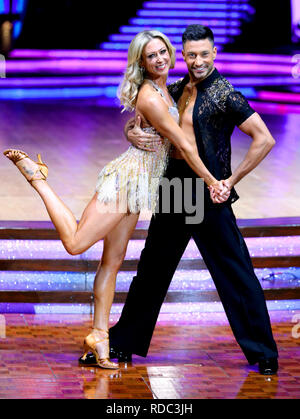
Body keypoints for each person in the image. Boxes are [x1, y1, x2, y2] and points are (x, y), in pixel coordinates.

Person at [3, 30, 228, 370]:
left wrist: (130, 130)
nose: (160, 59)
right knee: (76, 243)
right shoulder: (151, 95)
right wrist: (212, 180)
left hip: (141, 189)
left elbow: (151, 129)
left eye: (163, 52)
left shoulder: (169, 88)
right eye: (151, 55)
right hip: (127, 181)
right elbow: (181, 143)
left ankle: (98, 336)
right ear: (141, 61)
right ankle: (38, 178)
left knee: (113, 261)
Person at [93, 24, 278, 375]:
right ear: (184, 54)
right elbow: (145, 119)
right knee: (152, 269)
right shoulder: (176, 89)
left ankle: (264, 351)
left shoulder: (226, 94)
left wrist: (230, 179)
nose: (197, 61)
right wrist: (130, 132)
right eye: (191, 54)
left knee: (235, 271)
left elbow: (264, 139)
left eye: (204, 54)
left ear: (214, 53)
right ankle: (125, 341)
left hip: (208, 192)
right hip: (175, 186)